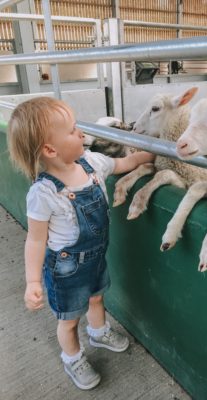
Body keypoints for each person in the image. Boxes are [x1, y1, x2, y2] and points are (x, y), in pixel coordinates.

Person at [7, 97, 155, 390]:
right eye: (73, 130)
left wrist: (152, 154)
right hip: (66, 269)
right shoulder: (44, 192)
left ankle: (99, 331)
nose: (81, 134)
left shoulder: (92, 164)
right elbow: (36, 240)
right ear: (50, 149)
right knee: (70, 320)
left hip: (96, 257)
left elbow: (125, 162)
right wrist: (33, 281)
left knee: (97, 297)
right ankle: (72, 357)